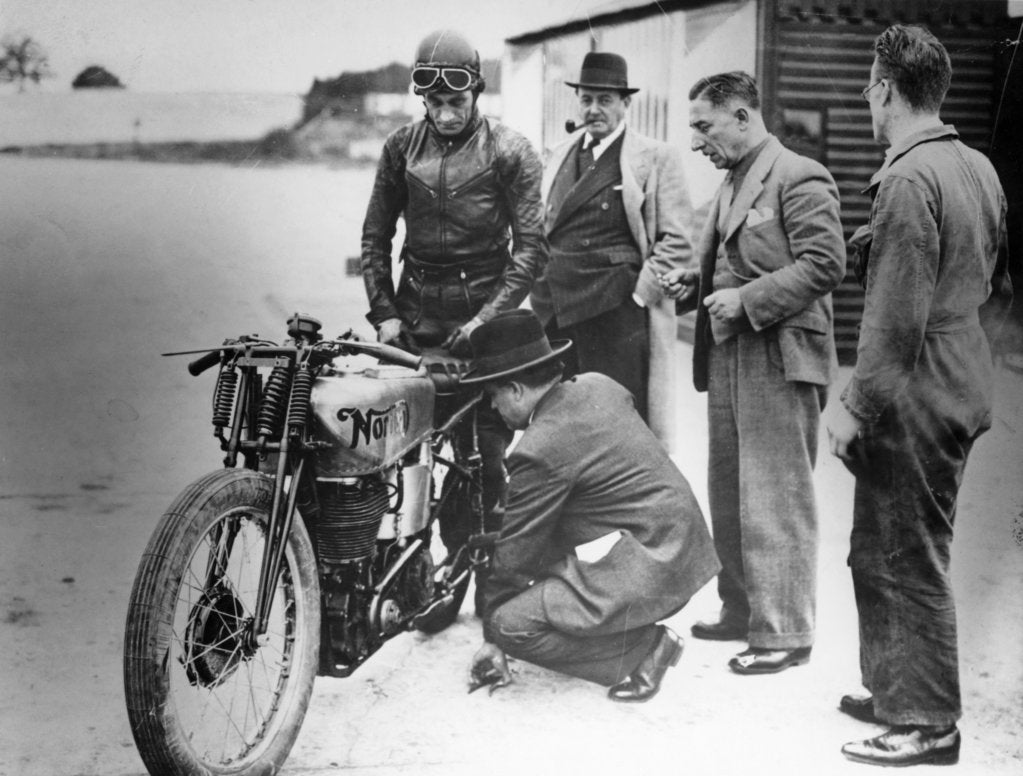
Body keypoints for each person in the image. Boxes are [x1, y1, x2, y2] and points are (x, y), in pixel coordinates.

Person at [825, 25, 1009, 768]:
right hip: (961, 369)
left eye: (869, 89)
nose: (867, 102)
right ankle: (891, 686)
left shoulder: (906, 179)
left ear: (886, 91)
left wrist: (852, 408)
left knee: (907, 555)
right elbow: (989, 280)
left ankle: (927, 722)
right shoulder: (975, 167)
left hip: (917, 387)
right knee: (875, 545)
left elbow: (895, 323)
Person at [664, 71, 846, 674]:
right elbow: (731, 264)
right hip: (730, 355)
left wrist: (748, 301)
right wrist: (696, 285)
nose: (695, 141)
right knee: (732, 489)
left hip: (779, 355)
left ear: (742, 117)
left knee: (777, 495)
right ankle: (742, 609)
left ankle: (786, 632)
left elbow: (826, 264)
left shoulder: (799, 174)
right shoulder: (732, 181)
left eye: (703, 126)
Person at [360, 30, 548, 569]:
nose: (445, 114)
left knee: (486, 458)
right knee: (391, 451)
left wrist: (487, 320)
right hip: (413, 319)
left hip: (485, 326)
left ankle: (486, 575)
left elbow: (531, 249)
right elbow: (375, 236)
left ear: (478, 94)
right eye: (435, 103)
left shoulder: (511, 150)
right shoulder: (399, 147)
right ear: (422, 97)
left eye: (456, 102)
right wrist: (385, 316)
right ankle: (398, 570)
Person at [462, 310, 720, 701]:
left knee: (512, 624)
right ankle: (626, 633)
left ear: (515, 389)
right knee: (541, 577)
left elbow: (518, 552)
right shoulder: (599, 386)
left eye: (492, 396)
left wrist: (493, 636)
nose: (493, 408)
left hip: (649, 565)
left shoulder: (539, 447)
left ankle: (644, 652)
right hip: (681, 549)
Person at [530, 52, 692, 447]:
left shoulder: (653, 158)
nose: (594, 109)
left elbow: (677, 240)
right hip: (555, 311)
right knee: (557, 424)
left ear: (625, 103)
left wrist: (639, 296)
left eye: (604, 100)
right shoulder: (557, 153)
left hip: (615, 316)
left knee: (616, 428)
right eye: (586, 99)